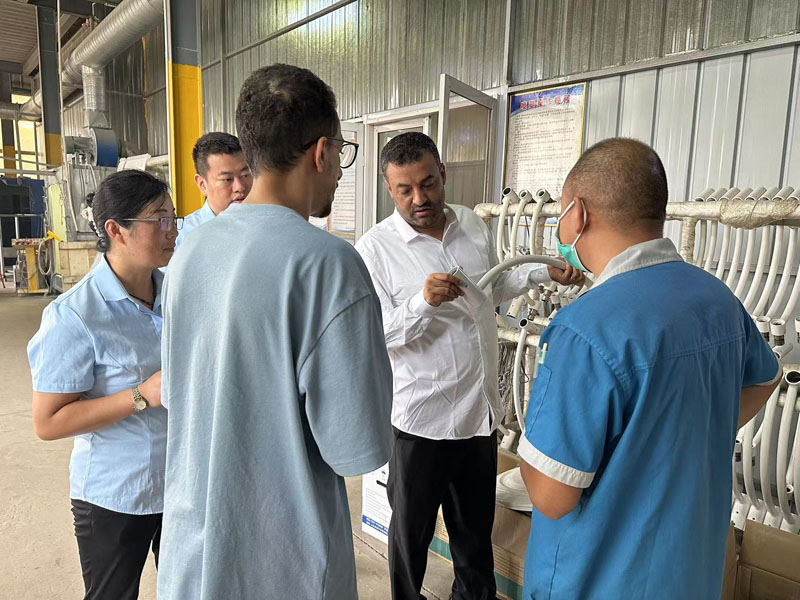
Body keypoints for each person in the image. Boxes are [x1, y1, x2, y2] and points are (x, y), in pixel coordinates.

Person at [156, 63, 393, 600]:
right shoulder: (328, 265)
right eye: (342, 153)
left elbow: (180, 393)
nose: (339, 171)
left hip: (193, 557)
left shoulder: (190, 251)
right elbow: (357, 447)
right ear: (322, 152)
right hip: (284, 566)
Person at [518, 138, 780, 599]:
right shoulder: (717, 299)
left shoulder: (583, 329)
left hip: (602, 580)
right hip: (691, 574)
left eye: (561, 211)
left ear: (577, 214)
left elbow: (551, 496)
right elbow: (766, 378)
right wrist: (678, 438)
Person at [355, 132, 584, 600]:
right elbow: (375, 334)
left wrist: (541, 272)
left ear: (443, 174)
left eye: (428, 183)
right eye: (405, 190)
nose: (419, 198)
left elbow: (491, 288)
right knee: (410, 538)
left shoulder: (472, 225)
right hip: (419, 423)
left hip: (478, 416)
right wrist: (422, 303)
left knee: (475, 536)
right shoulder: (375, 249)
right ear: (388, 189)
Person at [27, 170, 180, 599]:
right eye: (159, 219)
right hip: (116, 495)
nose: (171, 230)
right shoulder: (75, 315)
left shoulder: (175, 293)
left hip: (180, 483)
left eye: (174, 218)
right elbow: (48, 422)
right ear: (116, 230)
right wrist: (141, 396)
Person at [176, 131, 252, 248]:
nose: (240, 187)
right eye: (227, 179)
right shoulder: (182, 237)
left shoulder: (267, 225)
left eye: (245, 175)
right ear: (202, 185)